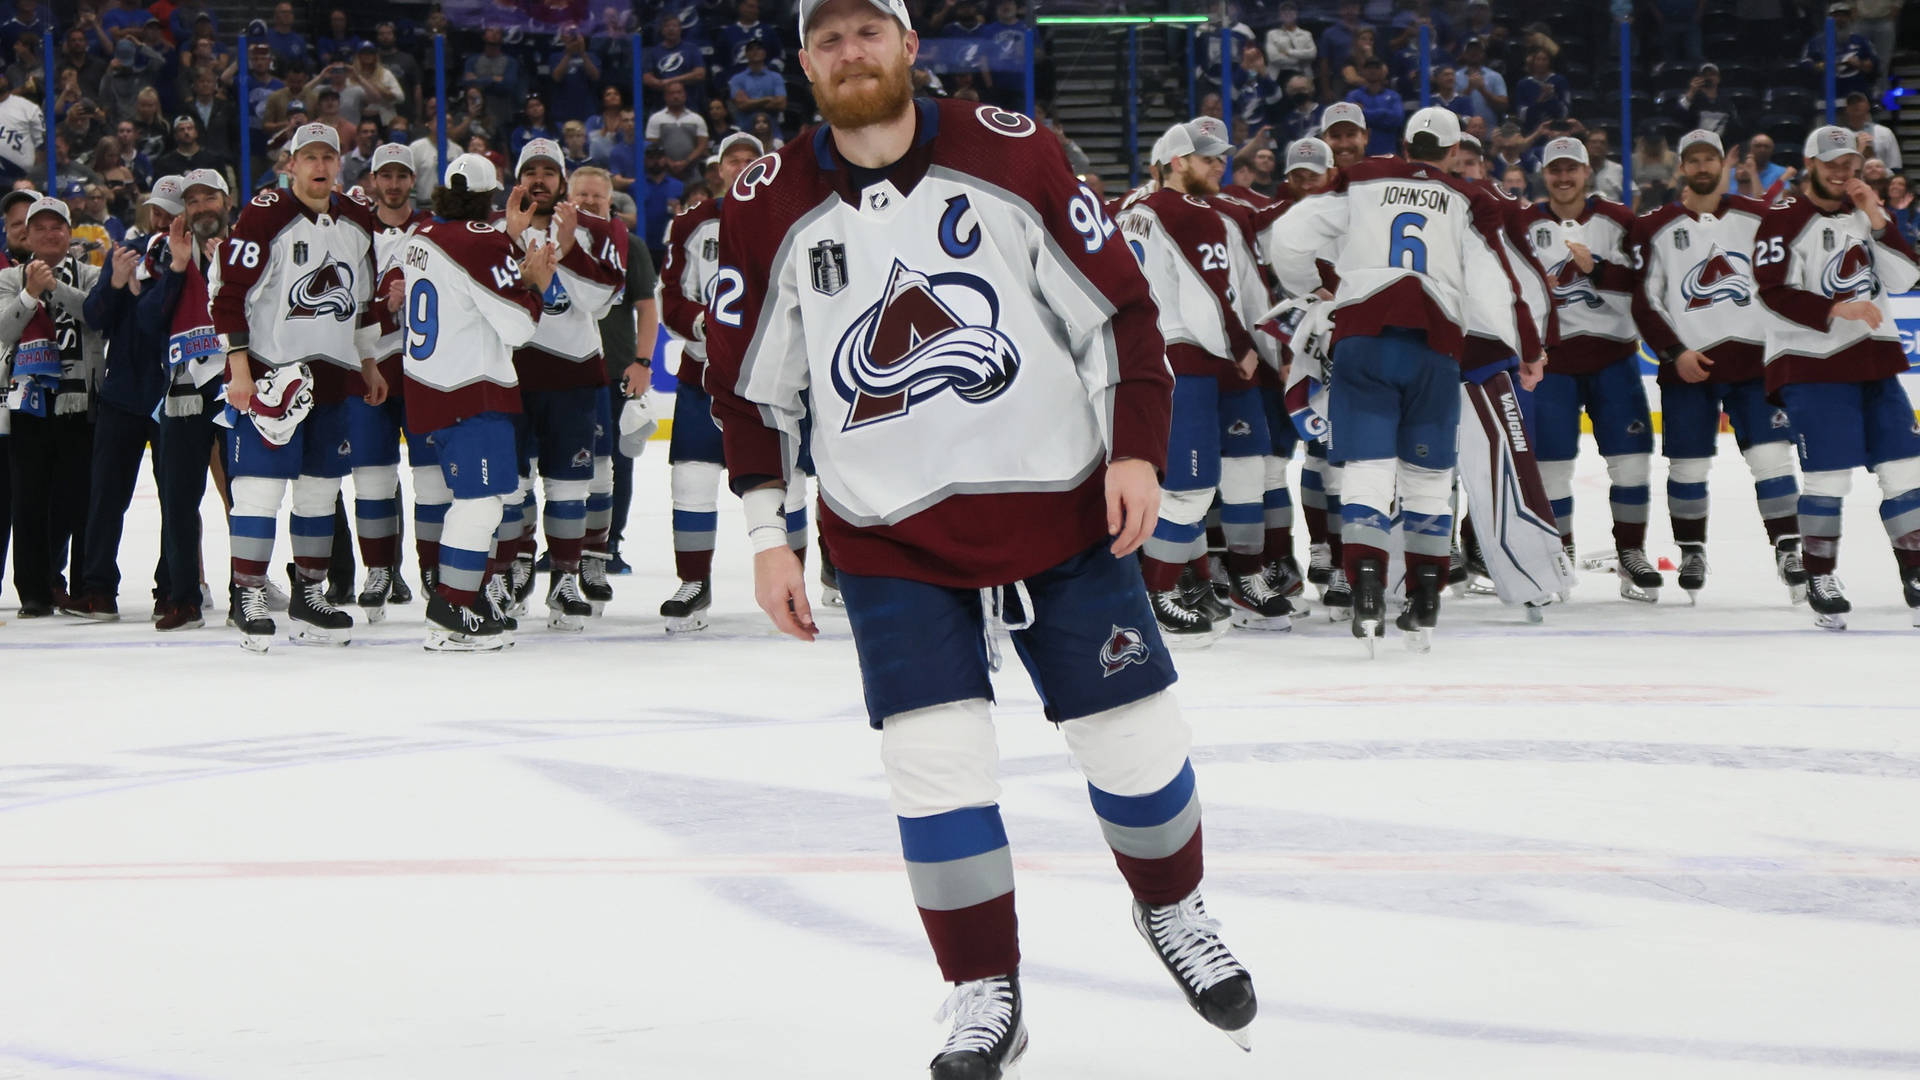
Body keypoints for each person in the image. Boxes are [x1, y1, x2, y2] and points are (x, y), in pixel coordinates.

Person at [707, 1, 1257, 1072]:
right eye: (829, 38)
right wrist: (767, 532)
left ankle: (1173, 908)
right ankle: (982, 989)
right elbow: (748, 391)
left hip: (1057, 501)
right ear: (804, 62)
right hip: (887, 533)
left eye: (869, 32)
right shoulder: (765, 204)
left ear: (911, 48)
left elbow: (1120, 312)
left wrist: (1135, 448)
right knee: (935, 765)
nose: (850, 53)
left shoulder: (1018, 152)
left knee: (1135, 739)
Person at [1268, 106, 1543, 651]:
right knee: (1427, 478)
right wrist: (1524, 348)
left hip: (1365, 337)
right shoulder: (1467, 199)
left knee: (1367, 469)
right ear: (1449, 151)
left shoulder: (1364, 179)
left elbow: (1289, 236)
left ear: (1404, 142)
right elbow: (1496, 286)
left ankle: (1366, 584)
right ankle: (1426, 596)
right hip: (1434, 347)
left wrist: (1317, 290)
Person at [208, 122, 385, 651]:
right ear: (291, 165)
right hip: (269, 374)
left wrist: (370, 361)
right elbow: (229, 296)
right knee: (259, 490)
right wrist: (239, 370)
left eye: (328, 157)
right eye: (309, 157)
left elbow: (365, 301)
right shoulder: (266, 214)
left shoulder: (357, 219)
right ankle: (248, 594)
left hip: (333, 375)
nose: (320, 167)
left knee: (319, 489)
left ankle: (310, 593)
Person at [1118, 119, 1291, 641]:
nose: (1219, 166)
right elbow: (1209, 294)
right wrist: (1250, 349)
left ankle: (1239, 577)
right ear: (1176, 163)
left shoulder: (1132, 210)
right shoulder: (1182, 211)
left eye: (1220, 158)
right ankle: (1160, 590)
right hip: (1190, 358)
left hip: (1198, 355)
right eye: (1207, 158)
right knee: (1192, 486)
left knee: (1243, 470)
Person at [1753, 124, 1920, 629]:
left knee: (1907, 471)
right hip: (1811, 367)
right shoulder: (1782, 220)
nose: (1841, 171)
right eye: (1830, 163)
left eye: (1848, 162)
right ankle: (1820, 574)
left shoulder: (1866, 217)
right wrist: (1835, 309)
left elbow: (1906, 277)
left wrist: (1877, 217)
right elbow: (1772, 291)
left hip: (1876, 361)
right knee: (1828, 476)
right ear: (1810, 164)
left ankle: (1915, 572)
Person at [1629, 128, 1805, 606]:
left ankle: (1789, 549)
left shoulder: (1759, 217)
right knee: (1688, 465)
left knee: (1771, 458)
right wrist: (1674, 352)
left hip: (1755, 362)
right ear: (1681, 167)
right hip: (1689, 365)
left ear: (1724, 165)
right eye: (1694, 160)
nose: (1703, 167)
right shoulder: (1655, 227)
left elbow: (1785, 281)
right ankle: (1691, 550)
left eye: (1711, 159)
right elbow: (1646, 302)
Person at [399, 154, 559, 650]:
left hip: (427, 388)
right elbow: (518, 323)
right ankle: (453, 608)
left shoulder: (420, 236)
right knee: (481, 504)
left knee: (467, 502)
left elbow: (462, 285)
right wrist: (534, 283)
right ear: (494, 196)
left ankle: (459, 599)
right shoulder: (482, 242)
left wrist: (507, 243)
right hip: (471, 388)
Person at [1519, 136, 1665, 600]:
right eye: (1555, 170)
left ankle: (1630, 553)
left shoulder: (1621, 221)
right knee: (1552, 467)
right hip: (1552, 364)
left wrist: (1598, 268)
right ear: (1545, 175)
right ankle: (1558, 554)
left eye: (1572, 169)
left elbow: (1646, 285)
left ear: (1587, 171)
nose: (1563, 178)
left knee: (1632, 463)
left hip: (1613, 359)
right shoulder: (1522, 225)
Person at [498, 137, 629, 631]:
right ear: (519, 178)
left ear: (561, 179)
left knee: (570, 485)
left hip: (573, 375)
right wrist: (512, 243)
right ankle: (514, 569)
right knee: (514, 486)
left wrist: (569, 249)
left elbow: (601, 300)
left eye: (548, 172)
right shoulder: (494, 229)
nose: (539, 179)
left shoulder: (595, 229)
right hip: (512, 373)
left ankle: (566, 578)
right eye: (530, 170)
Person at [653, 131, 774, 629]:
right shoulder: (689, 223)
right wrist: (704, 322)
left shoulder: (786, 215)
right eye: (734, 160)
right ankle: (693, 581)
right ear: (719, 168)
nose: (742, 166)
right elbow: (671, 295)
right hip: (703, 371)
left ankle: (792, 588)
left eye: (752, 159)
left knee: (783, 486)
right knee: (692, 478)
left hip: (772, 375)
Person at [70, 191, 171, 621]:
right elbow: (95, 318)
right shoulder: (125, 255)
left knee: (177, 500)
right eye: (159, 210)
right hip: (122, 394)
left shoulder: (198, 259)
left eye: (174, 209)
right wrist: (114, 285)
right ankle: (97, 590)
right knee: (106, 497)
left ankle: (173, 588)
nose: (164, 217)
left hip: (173, 396)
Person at [0, 196, 103, 617]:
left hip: (81, 401)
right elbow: (5, 330)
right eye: (38, 228)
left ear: (69, 231)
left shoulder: (93, 274)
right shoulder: (9, 278)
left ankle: (80, 585)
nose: (48, 234)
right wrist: (29, 293)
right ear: (27, 234)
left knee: (79, 499)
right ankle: (35, 592)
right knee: (28, 500)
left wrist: (54, 288)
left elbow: (97, 316)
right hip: (29, 401)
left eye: (55, 227)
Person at [350, 143, 434, 618]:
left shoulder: (433, 230)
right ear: (374, 180)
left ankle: (431, 568)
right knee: (372, 478)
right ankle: (379, 569)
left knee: (431, 480)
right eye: (387, 175)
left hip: (425, 372)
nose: (396, 184)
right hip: (371, 365)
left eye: (403, 175)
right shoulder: (355, 231)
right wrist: (384, 309)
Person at [140, 172, 225, 631]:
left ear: (225, 201)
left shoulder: (249, 246)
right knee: (178, 496)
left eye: (209, 196)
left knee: (248, 494)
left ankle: (245, 589)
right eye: (192, 200)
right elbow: (149, 320)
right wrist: (176, 268)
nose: (201, 206)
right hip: (184, 389)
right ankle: (183, 596)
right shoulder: (162, 249)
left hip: (238, 383)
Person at [568, 164, 657, 586]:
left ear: (609, 201)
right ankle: (566, 542)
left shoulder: (630, 246)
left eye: (596, 196)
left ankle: (609, 542)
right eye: (581, 194)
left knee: (618, 464)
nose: (587, 202)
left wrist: (643, 362)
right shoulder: (554, 242)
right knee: (565, 466)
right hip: (564, 371)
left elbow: (646, 308)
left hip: (615, 371)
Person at [647, 80, 710, 182]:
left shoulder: (697, 118)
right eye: (671, 93)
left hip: (693, 171)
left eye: (679, 92)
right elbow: (652, 144)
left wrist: (686, 161)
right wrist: (669, 162)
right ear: (665, 96)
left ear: (685, 95)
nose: (675, 96)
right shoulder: (656, 119)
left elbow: (702, 145)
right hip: (665, 172)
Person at [727, 38, 786, 130]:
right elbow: (742, 105)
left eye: (759, 48)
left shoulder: (776, 77)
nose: (755, 51)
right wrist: (767, 99)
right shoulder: (737, 79)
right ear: (746, 54)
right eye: (751, 49)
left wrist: (751, 103)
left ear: (765, 53)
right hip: (746, 130)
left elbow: (781, 104)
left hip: (772, 130)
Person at [1840, 92, 1902, 172]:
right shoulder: (1840, 135)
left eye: (1859, 103)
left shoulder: (1884, 133)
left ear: (1867, 108)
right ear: (1846, 110)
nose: (1856, 106)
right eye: (1852, 104)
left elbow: (1895, 166)